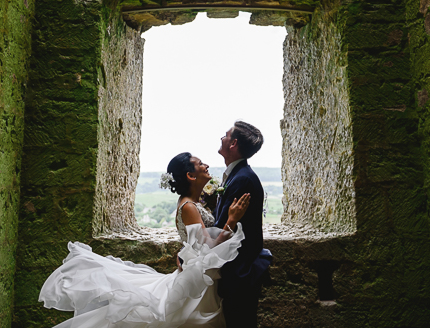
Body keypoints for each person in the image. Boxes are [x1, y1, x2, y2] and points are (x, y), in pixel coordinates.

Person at [39, 153, 251, 327]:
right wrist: (231, 220)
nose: (206, 165)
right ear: (190, 176)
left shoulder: (194, 203)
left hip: (201, 276)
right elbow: (206, 247)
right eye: (199, 164)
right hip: (197, 281)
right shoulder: (188, 206)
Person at [214, 122, 272, 328]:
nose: (222, 137)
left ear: (233, 143)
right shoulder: (239, 175)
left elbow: (223, 228)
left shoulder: (243, 180)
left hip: (240, 273)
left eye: (226, 135)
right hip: (238, 271)